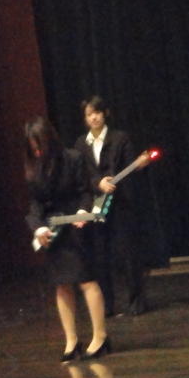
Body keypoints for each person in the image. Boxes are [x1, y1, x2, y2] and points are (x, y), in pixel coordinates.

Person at [24, 116, 110, 361]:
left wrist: (83, 210)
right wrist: (37, 228)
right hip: (54, 230)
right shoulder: (35, 167)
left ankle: (100, 337)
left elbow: (86, 191)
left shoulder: (73, 158)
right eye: (33, 147)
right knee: (61, 284)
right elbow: (35, 204)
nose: (37, 151)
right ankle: (71, 341)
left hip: (76, 227)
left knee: (86, 281)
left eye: (40, 145)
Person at [74, 96, 150, 318]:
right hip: (96, 206)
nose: (94, 117)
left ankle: (136, 300)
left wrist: (137, 166)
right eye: (89, 114)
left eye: (97, 112)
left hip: (121, 203)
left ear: (105, 113)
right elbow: (81, 175)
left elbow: (131, 168)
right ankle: (106, 304)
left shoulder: (120, 138)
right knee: (100, 256)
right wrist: (98, 182)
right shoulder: (81, 144)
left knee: (128, 253)